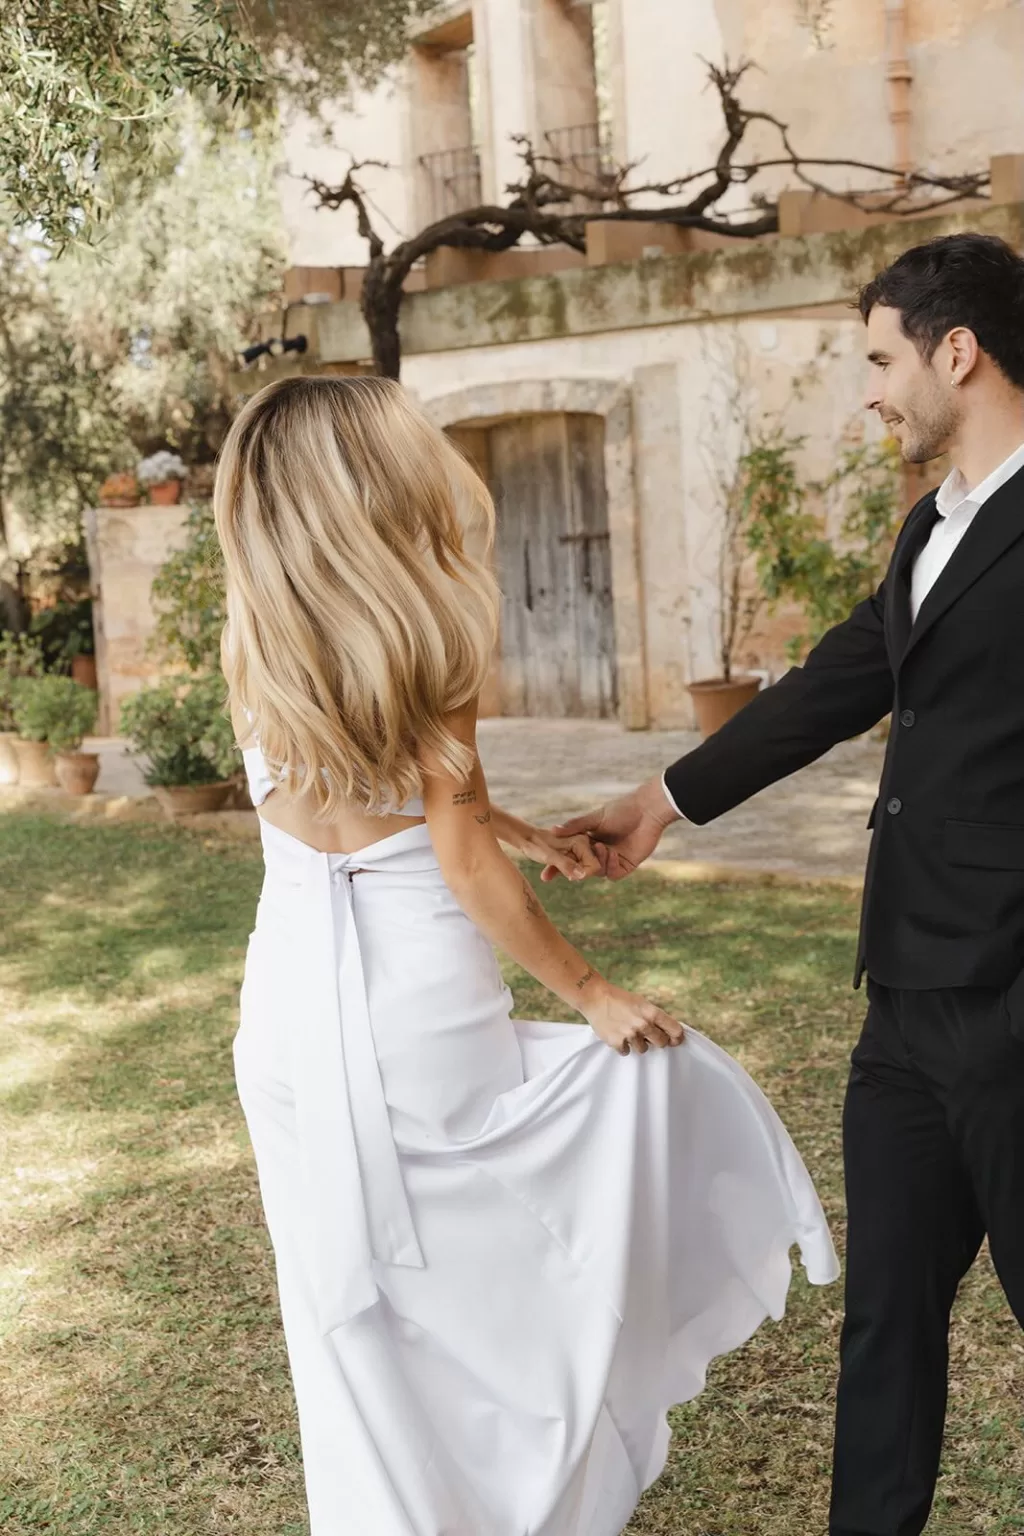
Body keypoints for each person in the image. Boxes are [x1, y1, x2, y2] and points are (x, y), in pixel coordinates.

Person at [214, 374, 838, 1536]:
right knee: (489, 1283)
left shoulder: (258, 633)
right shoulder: (431, 633)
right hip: (414, 1006)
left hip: (287, 1013)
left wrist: (521, 830)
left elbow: (375, 795)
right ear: (373, 486)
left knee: (349, 1321)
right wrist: (593, 993)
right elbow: (454, 862)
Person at [555, 231, 1024, 1536]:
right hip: (906, 1005)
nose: (870, 391)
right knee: (885, 1321)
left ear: (957, 351)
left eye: (880, 360)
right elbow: (838, 681)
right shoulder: (936, 524)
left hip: (1011, 1004)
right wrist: (661, 800)